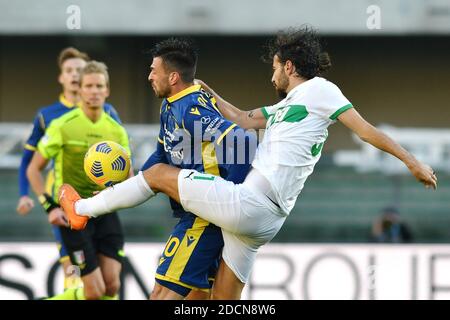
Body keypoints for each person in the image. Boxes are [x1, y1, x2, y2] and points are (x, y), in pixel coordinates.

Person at [59, 26, 437, 300]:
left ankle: (82, 209)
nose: (271, 75)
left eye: (274, 67)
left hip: (251, 202)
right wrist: (208, 93)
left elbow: (365, 130)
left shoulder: (321, 90)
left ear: (289, 66)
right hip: (264, 220)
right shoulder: (287, 106)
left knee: (157, 174)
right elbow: (242, 117)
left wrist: (411, 161)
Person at [130, 38, 254, 299]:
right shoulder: (170, 106)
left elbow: (243, 140)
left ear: (173, 77)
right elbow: (162, 155)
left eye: (154, 70)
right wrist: (131, 183)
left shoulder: (191, 108)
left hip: (203, 216)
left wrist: (232, 194)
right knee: (198, 297)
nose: (149, 76)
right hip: (196, 212)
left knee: (161, 294)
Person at [16, 47, 121, 291]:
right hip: (66, 203)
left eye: (79, 70)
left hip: (100, 204)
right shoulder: (49, 117)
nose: (74, 75)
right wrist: (30, 197)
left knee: (109, 282)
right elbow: (29, 162)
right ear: (61, 77)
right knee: (75, 275)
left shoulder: (108, 113)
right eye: (69, 70)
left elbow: (120, 160)